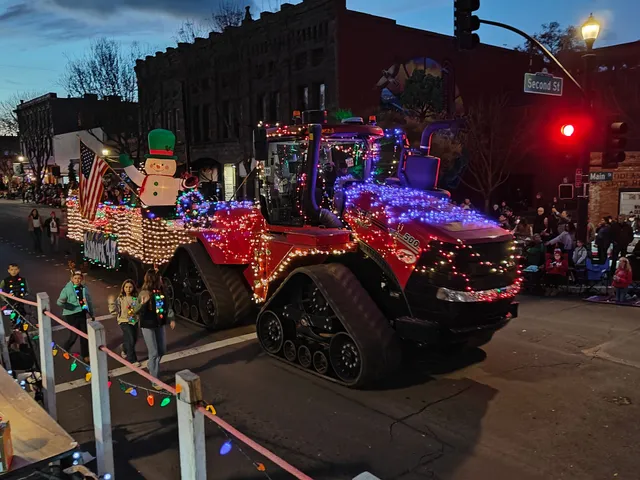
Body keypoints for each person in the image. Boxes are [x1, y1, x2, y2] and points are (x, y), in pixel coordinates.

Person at [138, 269, 175, 389]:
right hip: (148, 325)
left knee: (162, 350)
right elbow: (135, 310)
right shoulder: (144, 293)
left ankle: (151, 365)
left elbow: (168, 306)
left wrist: (171, 318)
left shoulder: (162, 291)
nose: (161, 280)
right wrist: (143, 303)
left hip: (159, 324)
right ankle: (154, 379)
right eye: (159, 278)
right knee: (153, 352)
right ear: (153, 280)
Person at [57, 270, 94, 363]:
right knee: (74, 335)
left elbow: (89, 301)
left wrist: (92, 313)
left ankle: (85, 355)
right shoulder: (67, 289)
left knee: (84, 335)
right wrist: (70, 306)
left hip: (82, 312)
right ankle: (65, 349)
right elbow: (59, 302)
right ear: (72, 279)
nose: (77, 280)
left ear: (82, 279)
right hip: (71, 314)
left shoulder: (84, 288)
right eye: (75, 278)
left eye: (79, 278)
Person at [108, 279, 140, 364]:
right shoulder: (121, 298)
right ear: (123, 288)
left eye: (130, 287)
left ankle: (125, 348)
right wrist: (111, 303)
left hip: (133, 320)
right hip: (124, 321)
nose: (128, 289)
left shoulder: (135, 298)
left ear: (133, 288)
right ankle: (132, 359)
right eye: (126, 287)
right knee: (131, 339)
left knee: (134, 339)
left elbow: (138, 309)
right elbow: (114, 310)